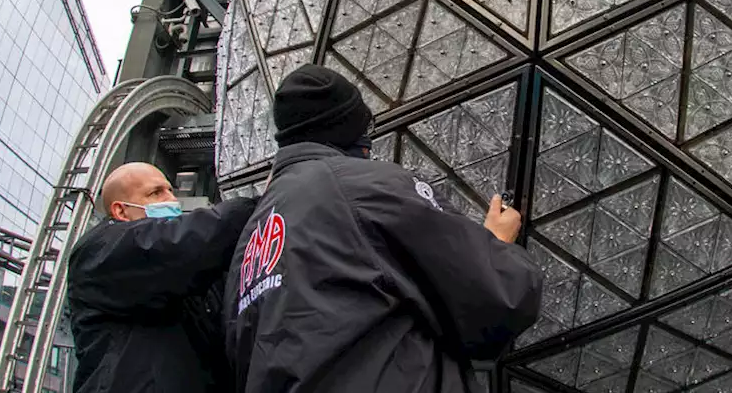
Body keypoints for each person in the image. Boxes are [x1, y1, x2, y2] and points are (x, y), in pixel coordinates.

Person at [225, 64, 542, 392]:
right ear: (350, 131)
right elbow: (497, 297)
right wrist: (495, 243)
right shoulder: (365, 186)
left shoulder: (249, 238)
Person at [67, 162, 256, 393]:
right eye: (155, 193)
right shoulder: (101, 251)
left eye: (170, 191)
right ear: (120, 211)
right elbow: (189, 241)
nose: (171, 200)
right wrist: (257, 205)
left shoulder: (181, 277)